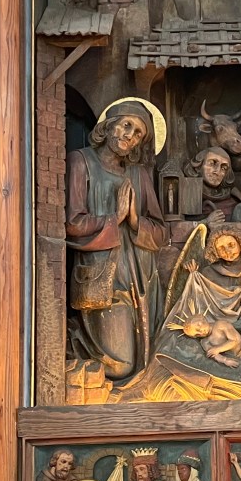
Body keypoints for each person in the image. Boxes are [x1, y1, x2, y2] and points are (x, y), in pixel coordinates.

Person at [66, 98, 166, 382]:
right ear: (108, 126)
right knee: (121, 366)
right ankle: (73, 342)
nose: (130, 136)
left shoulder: (139, 174)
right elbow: (72, 224)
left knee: (147, 363)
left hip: (141, 278)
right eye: (126, 125)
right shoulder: (81, 161)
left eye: (138, 134)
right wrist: (114, 218)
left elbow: (161, 234)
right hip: (102, 275)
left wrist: (134, 221)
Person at [184, 147, 241, 224]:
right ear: (198, 167)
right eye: (212, 163)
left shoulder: (231, 205)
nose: (217, 171)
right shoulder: (187, 195)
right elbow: (177, 227)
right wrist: (206, 221)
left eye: (223, 168)